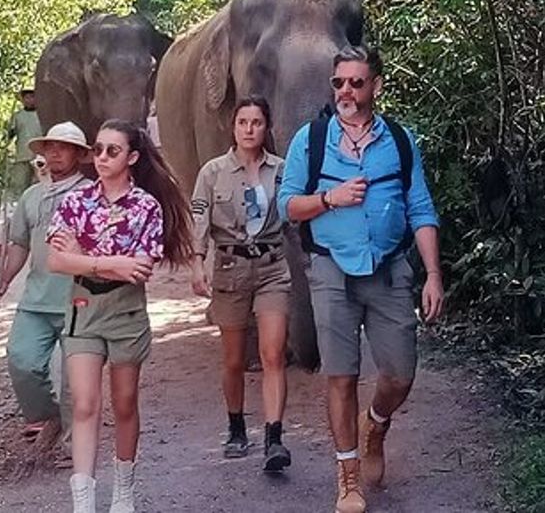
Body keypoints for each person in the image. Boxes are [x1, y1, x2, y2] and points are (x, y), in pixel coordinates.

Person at [277, 45, 445, 513]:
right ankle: (347, 478)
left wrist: (433, 274)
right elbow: (287, 206)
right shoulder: (310, 141)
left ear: (376, 86)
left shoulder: (400, 139)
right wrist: (329, 199)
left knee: (400, 372)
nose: (346, 91)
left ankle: (377, 423)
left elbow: (421, 210)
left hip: (390, 267)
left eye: (355, 82)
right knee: (341, 376)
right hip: (331, 267)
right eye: (338, 83)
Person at [46, 120, 195, 513]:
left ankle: (123, 493)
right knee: (84, 403)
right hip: (83, 308)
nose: (102, 158)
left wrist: (84, 256)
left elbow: (140, 270)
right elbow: (56, 260)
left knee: (125, 402)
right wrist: (109, 262)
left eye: (113, 151)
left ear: (132, 158)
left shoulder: (146, 206)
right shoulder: (76, 201)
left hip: (126, 310)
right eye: (97, 149)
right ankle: (83, 503)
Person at [190, 96, 292, 472]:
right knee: (234, 359)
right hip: (230, 269)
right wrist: (197, 262)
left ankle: (274, 437)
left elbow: (297, 210)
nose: (250, 129)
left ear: (267, 127)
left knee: (272, 354)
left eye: (257, 122)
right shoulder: (212, 172)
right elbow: (198, 215)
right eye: (243, 122)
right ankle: (236, 427)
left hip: (272, 267)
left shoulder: (281, 170)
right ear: (233, 128)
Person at [0, 122, 93, 443]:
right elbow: (20, 243)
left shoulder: (91, 195)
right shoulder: (31, 196)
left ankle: (73, 445)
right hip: (36, 299)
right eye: (50, 147)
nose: (55, 153)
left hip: (79, 300)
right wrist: (4, 279)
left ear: (78, 154)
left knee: (75, 380)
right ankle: (44, 418)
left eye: (63, 147)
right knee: (22, 359)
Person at [6, 88, 44, 195]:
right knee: (21, 184)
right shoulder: (18, 116)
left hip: (39, 155)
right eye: (27, 97)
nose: (29, 100)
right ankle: (21, 205)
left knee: (39, 183)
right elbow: (11, 133)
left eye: (32, 97)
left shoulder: (42, 115)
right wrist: (8, 136)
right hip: (22, 155)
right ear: (23, 100)